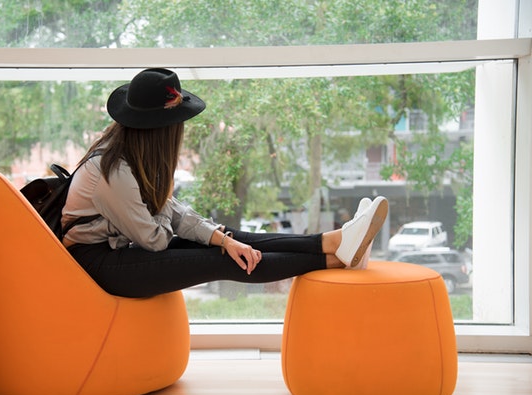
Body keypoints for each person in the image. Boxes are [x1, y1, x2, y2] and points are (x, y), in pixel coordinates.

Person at [62, 68, 388, 298]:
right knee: (222, 260)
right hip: (100, 265)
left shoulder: (134, 159)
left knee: (232, 241)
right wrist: (217, 244)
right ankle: (340, 259)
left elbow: (176, 214)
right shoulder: (110, 172)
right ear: (160, 131)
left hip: (123, 252)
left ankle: (334, 241)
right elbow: (155, 238)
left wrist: (222, 238)